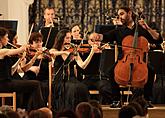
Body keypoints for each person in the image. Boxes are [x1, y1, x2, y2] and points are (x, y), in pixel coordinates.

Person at [89, 7, 163, 106]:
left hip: (140, 61)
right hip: (123, 61)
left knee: (151, 71)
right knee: (111, 71)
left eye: (122, 14)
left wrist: (148, 28)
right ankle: (116, 100)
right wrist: (97, 36)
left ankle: (147, 100)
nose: (120, 17)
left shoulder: (143, 30)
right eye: (119, 15)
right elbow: (105, 37)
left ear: (129, 13)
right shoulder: (118, 31)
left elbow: (158, 40)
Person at [49, 29, 98, 111]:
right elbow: (51, 53)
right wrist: (63, 52)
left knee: (82, 87)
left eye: (70, 38)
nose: (69, 40)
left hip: (71, 79)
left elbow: (83, 65)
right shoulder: (55, 50)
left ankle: (82, 112)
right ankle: (70, 111)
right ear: (61, 38)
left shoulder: (73, 50)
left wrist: (92, 52)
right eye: (67, 38)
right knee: (73, 88)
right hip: (60, 80)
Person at [0, 27, 45, 111]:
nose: (8, 39)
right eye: (6, 37)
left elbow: (12, 71)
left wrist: (19, 59)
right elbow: (19, 49)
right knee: (35, 84)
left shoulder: (4, 52)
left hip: (8, 82)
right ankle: (41, 112)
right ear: (0, 39)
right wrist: (23, 47)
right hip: (3, 84)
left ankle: (25, 110)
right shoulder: (2, 51)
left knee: (30, 85)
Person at [22, 32, 50, 105]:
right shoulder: (27, 54)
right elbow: (22, 68)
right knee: (26, 85)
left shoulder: (45, 54)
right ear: (31, 43)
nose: (39, 44)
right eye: (36, 41)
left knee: (42, 86)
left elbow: (51, 64)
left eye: (40, 41)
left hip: (43, 79)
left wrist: (48, 56)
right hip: (30, 78)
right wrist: (30, 68)